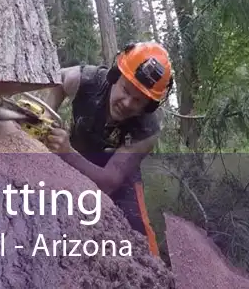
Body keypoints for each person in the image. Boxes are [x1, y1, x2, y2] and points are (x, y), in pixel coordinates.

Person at [41, 41, 174, 257]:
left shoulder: (147, 130)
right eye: (125, 90)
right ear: (114, 76)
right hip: (77, 153)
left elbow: (110, 182)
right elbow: (59, 80)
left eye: (138, 101)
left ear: (149, 106)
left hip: (118, 174)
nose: (128, 103)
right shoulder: (88, 79)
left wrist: (66, 153)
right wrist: (47, 116)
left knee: (139, 231)